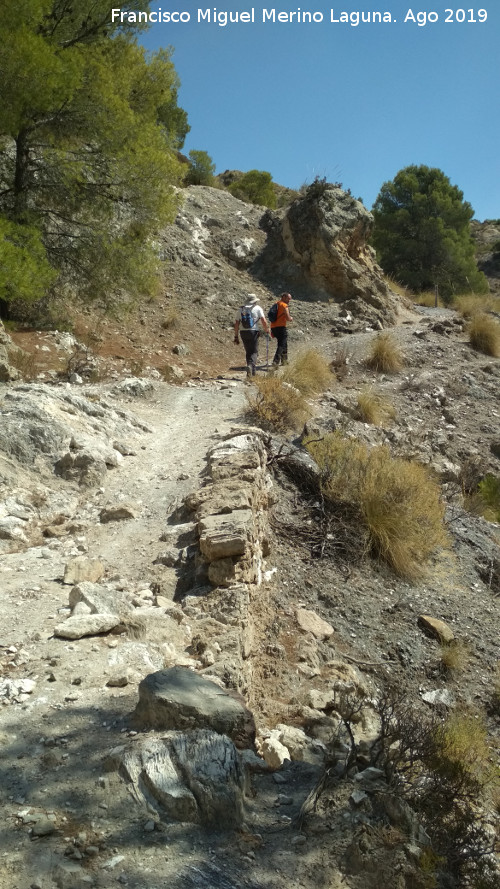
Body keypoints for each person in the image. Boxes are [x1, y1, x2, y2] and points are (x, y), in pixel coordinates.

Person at [234, 294, 270, 378]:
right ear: (255, 301)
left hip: (243, 332)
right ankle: (251, 368)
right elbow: (263, 321)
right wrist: (267, 330)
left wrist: (236, 336)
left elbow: (236, 323)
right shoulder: (257, 308)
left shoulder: (241, 309)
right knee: (254, 352)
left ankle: (250, 373)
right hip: (253, 332)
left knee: (248, 351)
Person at [270, 292, 293, 366]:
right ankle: (275, 362)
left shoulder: (276, 303)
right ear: (284, 297)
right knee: (281, 344)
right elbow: (287, 317)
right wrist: (290, 318)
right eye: (288, 299)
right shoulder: (284, 305)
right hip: (281, 327)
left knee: (284, 343)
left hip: (273, 327)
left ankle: (284, 361)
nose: (289, 301)